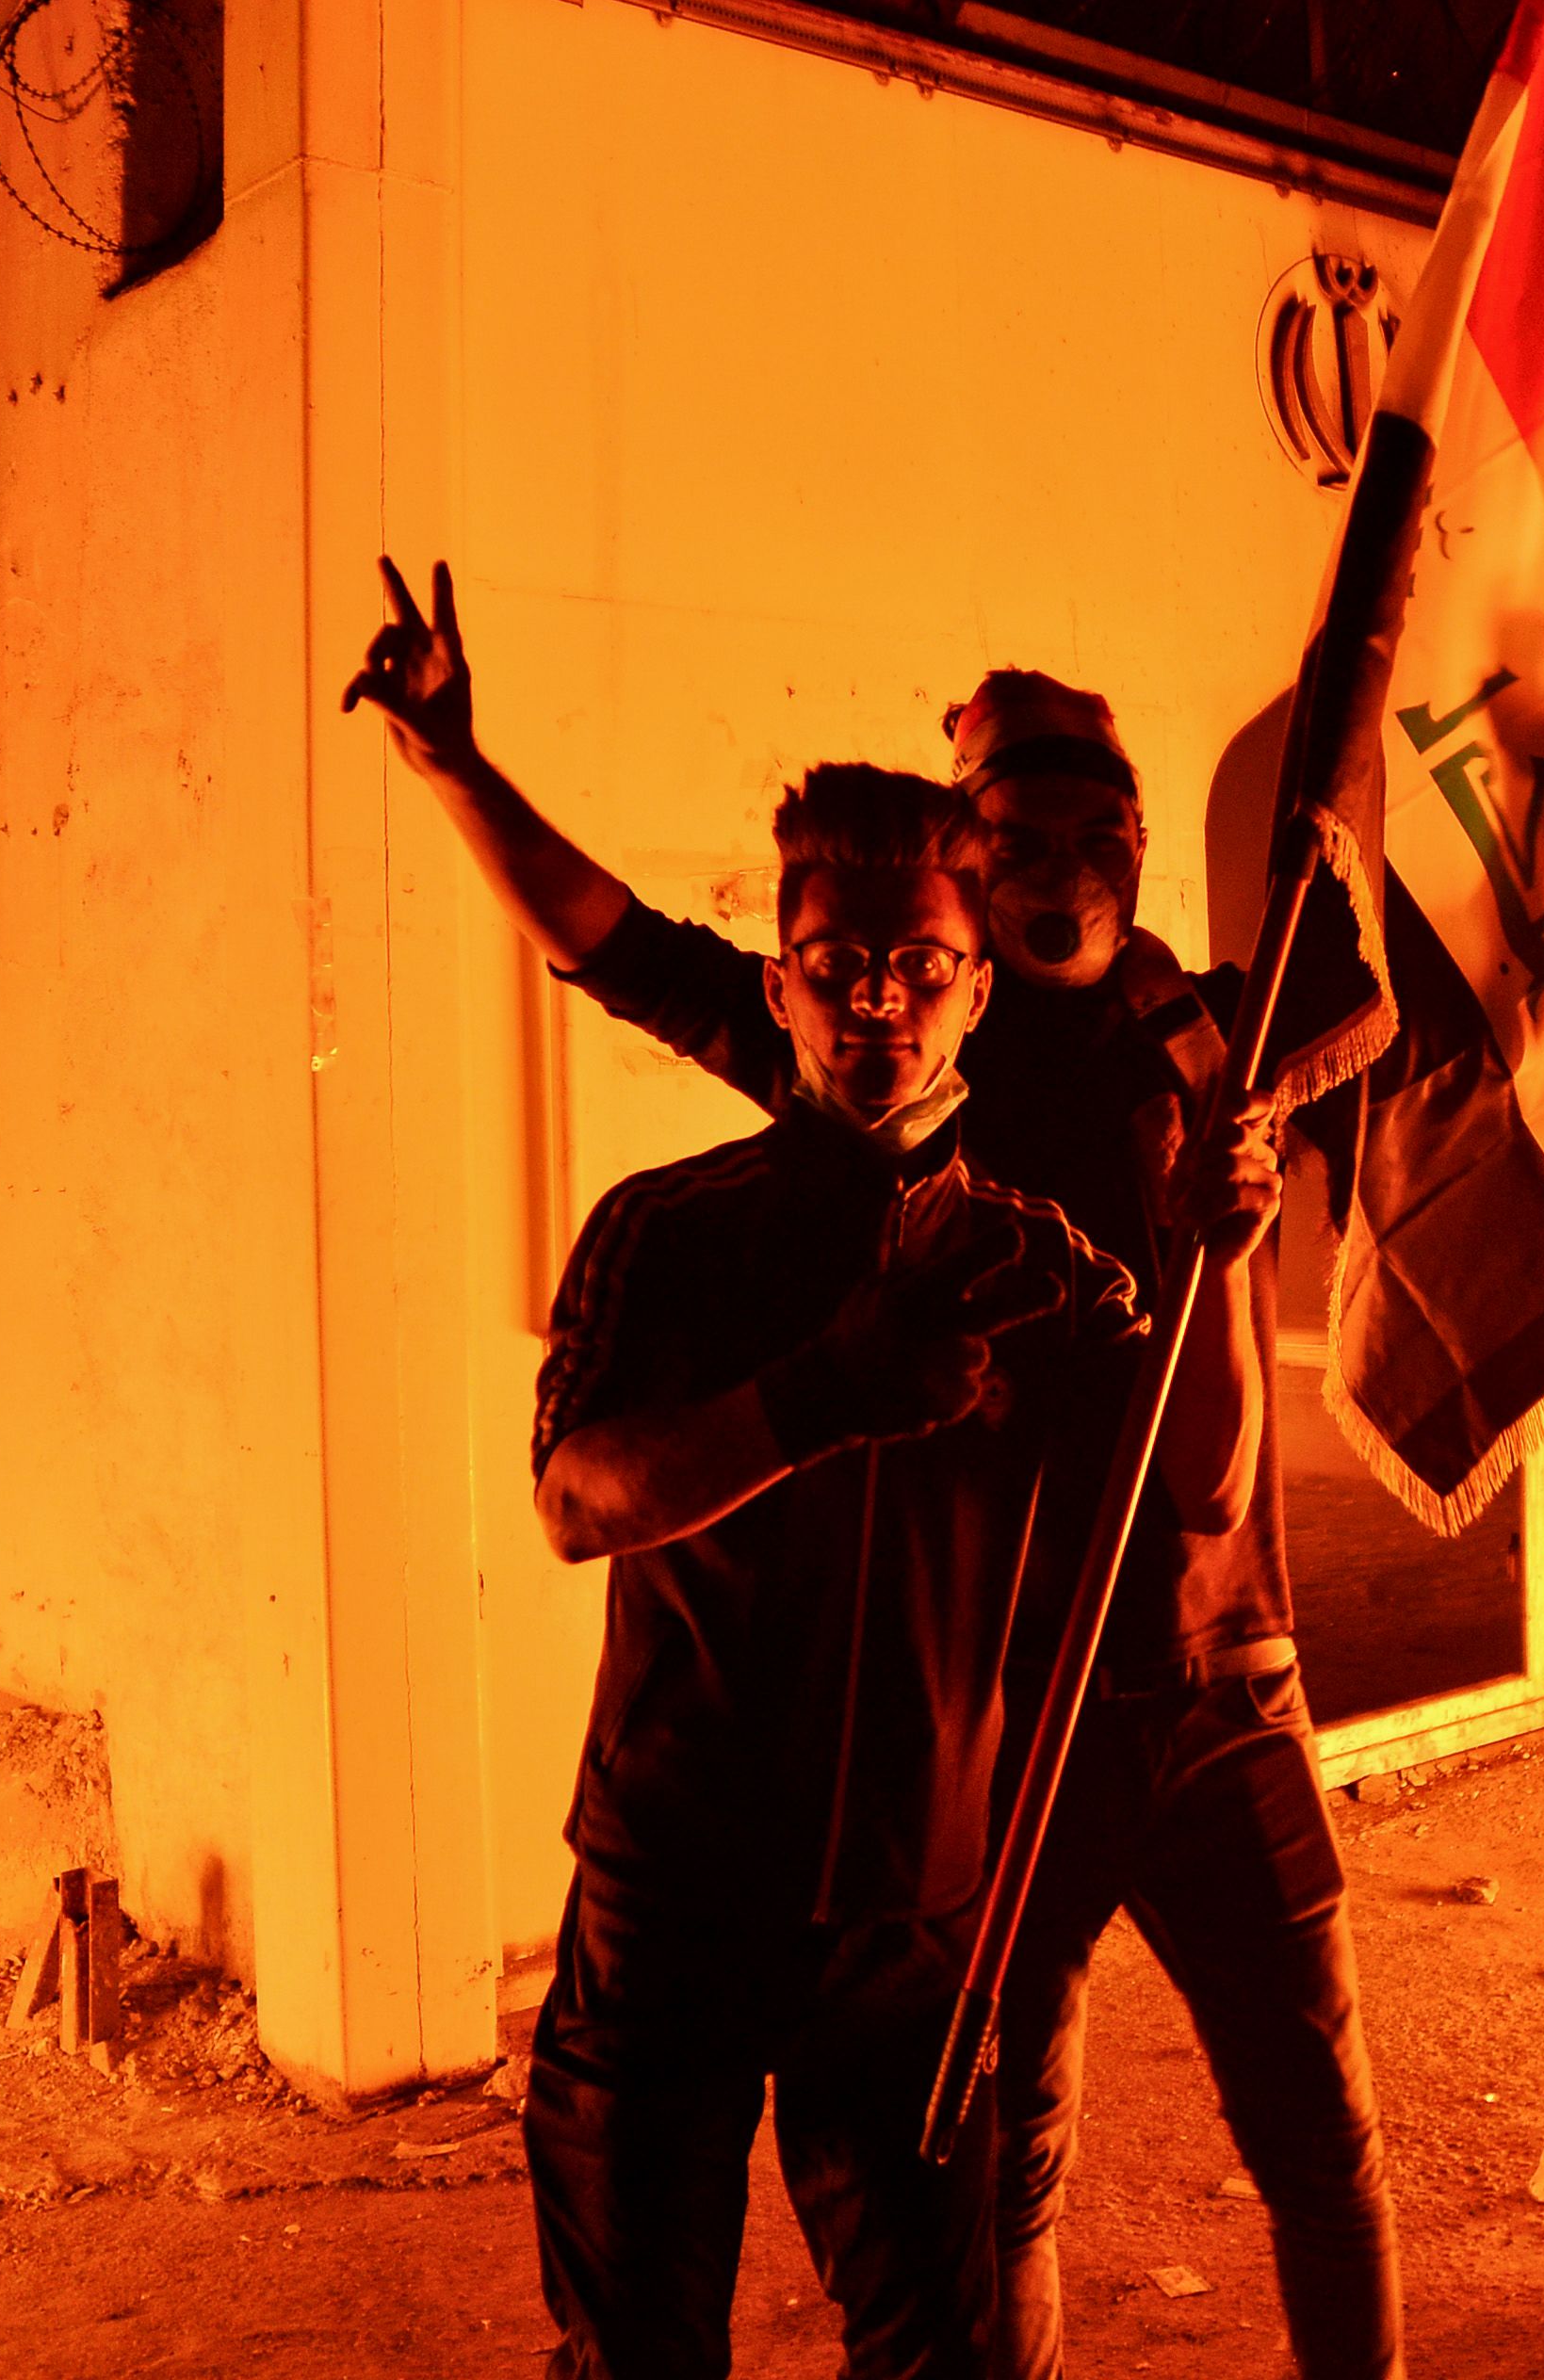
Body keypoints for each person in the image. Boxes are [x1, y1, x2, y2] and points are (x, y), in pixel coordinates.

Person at [350, 563, 1406, 2380]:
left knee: (1285, 2151)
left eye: (1089, 823)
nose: (883, 1008)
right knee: (986, 2204)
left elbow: (1216, 1457)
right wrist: (456, 766)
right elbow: (612, 941)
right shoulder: (796, 1140)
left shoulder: (1187, 1049)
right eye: (1010, 823)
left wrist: (1234, 1207)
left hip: (1186, 1694)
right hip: (912, 1776)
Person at [518, 760, 1153, 2380]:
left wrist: (1213, 1250)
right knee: (637, 2353)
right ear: (782, 982)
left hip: (916, 1923)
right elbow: (578, 1503)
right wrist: (823, 1392)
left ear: (977, 987)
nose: (881, 1000)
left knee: (940, 2358)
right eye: (839, 964)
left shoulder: (1042, 1269)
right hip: (671, 1899)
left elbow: (1169, 1526)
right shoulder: (664, 1236)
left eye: (923, 966)